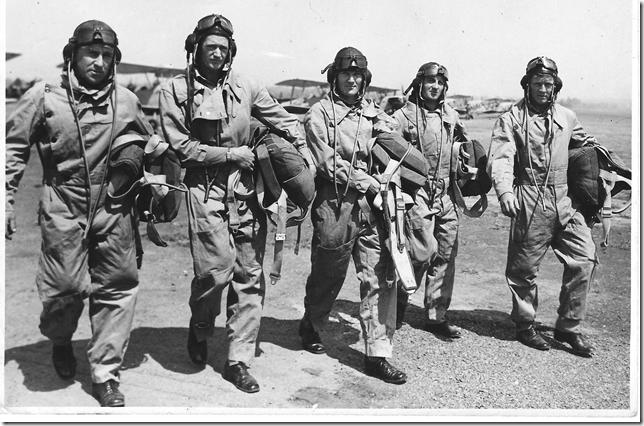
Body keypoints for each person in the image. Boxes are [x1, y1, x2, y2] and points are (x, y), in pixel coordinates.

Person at [158, 14, 315, 393]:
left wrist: (302, 150)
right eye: (209, 46)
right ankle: (200, 327)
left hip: (247, 193)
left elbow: (283, 121)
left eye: (223, 48)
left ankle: (238, 359)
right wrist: (230, 156)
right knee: (214, 272)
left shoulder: (247, 86)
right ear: (194, 48)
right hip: (204, 190)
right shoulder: (174, 90)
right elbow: (180, 147)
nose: (216, 53)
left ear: (232, 52)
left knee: (249, 275)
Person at [5, 20, 153, 407]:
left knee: (118, 287)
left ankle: (105, 374)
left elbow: (146, 143)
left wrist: (149, 172)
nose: (99, 61)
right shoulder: (44, 97)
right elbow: (13, 148)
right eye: (91, 53)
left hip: (114, 205)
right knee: (64, 291)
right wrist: (4, 202)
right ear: (72, 55)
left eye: (107, 56)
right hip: (63, 201)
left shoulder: (127, 101)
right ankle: (59, 339)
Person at [300, 46, 407, 384]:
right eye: (346, 73)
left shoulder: (372, 113)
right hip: (335, 203)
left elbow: (395, 143)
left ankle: (377, 354)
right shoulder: (319, 113)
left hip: (373, 206)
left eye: (358, 74)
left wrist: (392, 120)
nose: (351, 79)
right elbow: (326, 161)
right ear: (335, 76)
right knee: (328, 273)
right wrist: (367, 182)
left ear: (365, 79)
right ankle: (312, 323)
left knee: (379, 275)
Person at [487, 56, 598, 357]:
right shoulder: (510, 119)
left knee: (584, 258)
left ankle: (568, 327)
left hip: (565, 199)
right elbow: (501, 157)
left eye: (549, 84)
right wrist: (505, 192)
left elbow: (586, 146)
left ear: (556, 87)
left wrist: (606, 174)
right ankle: (525, 325)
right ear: (527, 85)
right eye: (538, 84)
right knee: (523, 269)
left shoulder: (568, 116)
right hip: (528, 195)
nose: (544, 89)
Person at [392, 62, 467, 338]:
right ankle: (399, 303)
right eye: (430, 81)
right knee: (420, 252)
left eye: (440, 83)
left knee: (446, 252)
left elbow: (463, 145)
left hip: (446, 192)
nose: (435, 87)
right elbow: (386, 145)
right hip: (417, 192)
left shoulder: (451, 116)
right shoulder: (402, 116)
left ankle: (436, 316)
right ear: (419, 84)